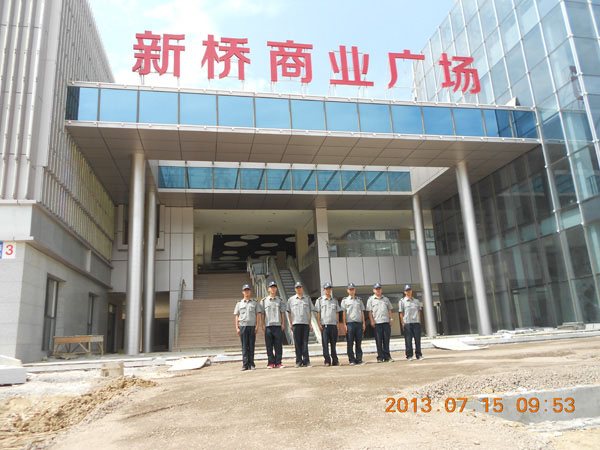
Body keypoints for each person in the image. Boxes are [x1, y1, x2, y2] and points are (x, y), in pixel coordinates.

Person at [233, 284, 263, 371]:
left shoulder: (255, 302)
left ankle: (252, 364)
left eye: (248, 290)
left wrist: (257, 326)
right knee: (244, 346)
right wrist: (237, 327)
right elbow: (236, 316)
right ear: (242, 292)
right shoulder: (239, 303)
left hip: (252, 326)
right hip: (242, 326)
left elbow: (258, 315)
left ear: (250, 291)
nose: (246, 292)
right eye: (245, 290)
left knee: (251, 345)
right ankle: (245, 364)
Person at [287, 281, 315, 368]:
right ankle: (298, 361)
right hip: (296, 324)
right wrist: (290, 323)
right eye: (297, 288)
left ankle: (306, 361)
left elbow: (310, 312)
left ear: (302, 288)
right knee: (297, 343)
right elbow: (289, 312)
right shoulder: (291, 300)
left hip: (305, 323)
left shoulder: (307, 299)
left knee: (305, 342)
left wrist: (310, 323)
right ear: (295, 289)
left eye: (300, 287)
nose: (299, 289)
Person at [261, 281, 287, 369]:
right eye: (271, 287)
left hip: (277, 325)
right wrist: (262, 324)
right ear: (268, 289)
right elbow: (262, 314)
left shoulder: (280, 300)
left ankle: (278, 362)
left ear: (276, 289)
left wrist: (283, 323)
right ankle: (271, 363)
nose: (273, 289)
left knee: (278, 345)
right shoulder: (264, 301)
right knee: (269, 346)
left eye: (274, 287)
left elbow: (282, 313)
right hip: (268, 326)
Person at [314, 282, 342, 367]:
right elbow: (318, 313)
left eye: (329, 289)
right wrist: (319, 323)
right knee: (325, 344)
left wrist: (337, 323)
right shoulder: (320, 300)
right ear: (324, 290)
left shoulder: (335, 300)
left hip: (333, 325)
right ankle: (327, 361)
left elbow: (337, 312)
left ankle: (335, 360)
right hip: (324, 325)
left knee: (333, 344)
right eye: (326, 289)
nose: (328, 290)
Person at [366, 282, 394, 363]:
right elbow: (370, 312)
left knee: (386, 340)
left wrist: (391, 319)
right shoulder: (371, 300)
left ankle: (387, 357)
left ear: (381, 290)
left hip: (386, 322)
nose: (378, 290)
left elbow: (389, 310)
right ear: (373, 290)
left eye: (379, 289)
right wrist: (372, 321)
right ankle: (380, 357)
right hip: (377, 323)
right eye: (376, 289)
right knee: (378, 341)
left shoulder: (386, 299)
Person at [341, 282, 366, 366]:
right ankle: (351, 360)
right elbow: (344, 313)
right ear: (347, 290)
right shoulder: (345, 300)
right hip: (350, 324)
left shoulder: (359, 300)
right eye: (350, 289)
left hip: (358, 323)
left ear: (355, 290)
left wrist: (363, 323)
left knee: (358, 342)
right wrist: (344, 325)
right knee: (350, 342)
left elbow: (362, 312)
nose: (352, 291)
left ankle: (359, 359)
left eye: (353, 289)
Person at [399, 284, 424, 361]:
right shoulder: (402, 301)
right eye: (407, 290)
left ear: (411, 291)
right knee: (408, 340)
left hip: (416, 322)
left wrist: (419, 321)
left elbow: (419, 311)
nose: (408, 292)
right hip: (407, 323)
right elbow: (401, 313)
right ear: (404, 292)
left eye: (409, 290)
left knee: (417, 340)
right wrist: (403, 323)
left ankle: (419, 355)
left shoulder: (416, 301)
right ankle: (409, 355)